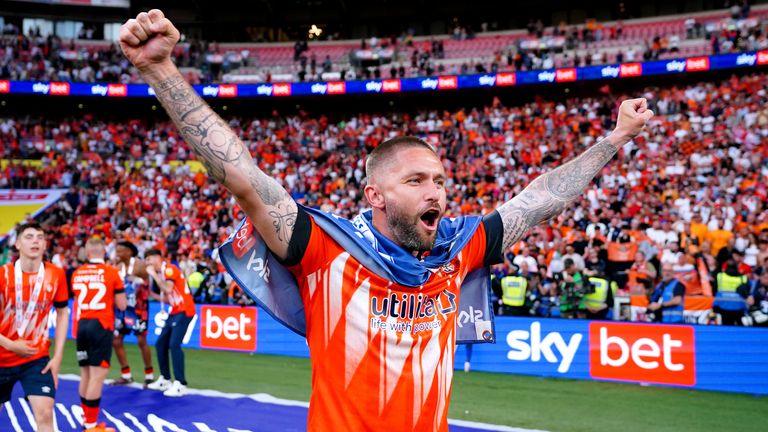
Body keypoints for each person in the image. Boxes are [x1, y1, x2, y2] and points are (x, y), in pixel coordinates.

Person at [119, 9, 653, 430]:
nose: (437, 192)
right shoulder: (326, 248)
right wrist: (160, 70)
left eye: (440, 180)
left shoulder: (457, 246)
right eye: (417, 181)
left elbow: (540, 200)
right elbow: (241, 174)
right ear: (374, 194)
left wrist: (616, 139)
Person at [0, 222, 70, 432]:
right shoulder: (2, 275)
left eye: (40, 237)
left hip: (36, 359)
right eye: (29, 237)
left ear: (45, 244)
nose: (35, 241)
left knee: (45, 414)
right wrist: (11, 345)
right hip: (2, 356)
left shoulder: (56, 274)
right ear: (18, 244)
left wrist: (57, 358)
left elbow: (63, 312)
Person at [71, 237, 127, 432]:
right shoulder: (111, 272)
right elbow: (122, 305)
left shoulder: (77, 273)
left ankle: (86, 419)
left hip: (82, 325)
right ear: (104, 252)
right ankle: (91, 425)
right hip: (101, 325)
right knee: (97, 376)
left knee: (85, 374)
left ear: (87, 253)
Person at [144, 249, 195, 397]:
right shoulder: (164, 273)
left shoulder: (170, 269)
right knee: (161, 343)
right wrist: (151, 294)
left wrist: (153, 275)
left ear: (156, 258)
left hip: (185, 310)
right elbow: (169, 298)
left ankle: (180, 383)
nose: (147, 263)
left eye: (148, 260)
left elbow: (168, 288)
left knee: (174, 344)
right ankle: (165, 379)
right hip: (175, 310)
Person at [112, 240, 156, 386]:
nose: (117, 253)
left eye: (120, 251)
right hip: (123, 308)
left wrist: (137, 280)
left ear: (129, 252)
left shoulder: (140, 264)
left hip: (139, 308)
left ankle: (149, 375)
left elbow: (148, 284)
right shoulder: (117, 267)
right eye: (117, 250)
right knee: (116, 340)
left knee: (141, 341)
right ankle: (126, 375)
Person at [713, 260, 749, 325]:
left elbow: (714, 289)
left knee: (725, 328)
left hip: (723, 307)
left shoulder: (720, 276)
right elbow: (747, 292)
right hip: (739, 308)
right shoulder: (743, 278)